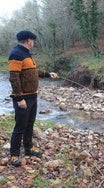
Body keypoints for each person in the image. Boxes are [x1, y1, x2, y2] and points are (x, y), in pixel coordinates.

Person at [8, 30, 58, 167]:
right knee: (20, 126)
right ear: (28, 40)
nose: (33, 43)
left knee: (29, 124)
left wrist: (48, 74)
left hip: (32, 96)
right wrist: (19, 98)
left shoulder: (26, 54)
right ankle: (14, 154)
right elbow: (14, 77)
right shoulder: (16, 54)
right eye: (33, 40)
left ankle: (28, 148)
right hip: (23, 98)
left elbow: (32, 72)